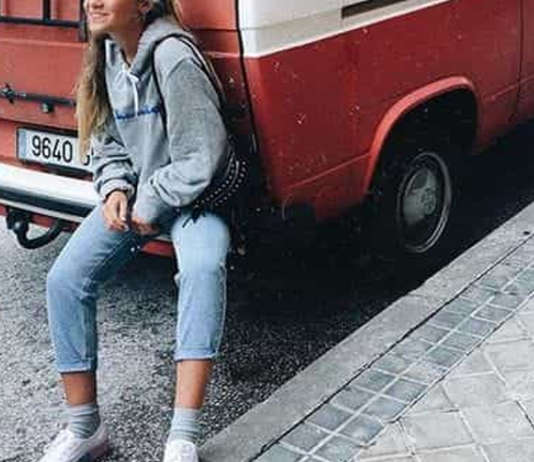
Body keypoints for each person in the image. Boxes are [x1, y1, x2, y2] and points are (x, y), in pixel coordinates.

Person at [41, 0, 231, 461]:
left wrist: (150, 200)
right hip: (143, 197)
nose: (93, 1)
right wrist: (114, 187)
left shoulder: (172, 56)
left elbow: (201, 157)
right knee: (65, 280)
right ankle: (86, 429)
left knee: (203, 270)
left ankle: (182, 438)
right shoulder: (107, 54)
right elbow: (107, 141)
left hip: (195, 200)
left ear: (144, 4)